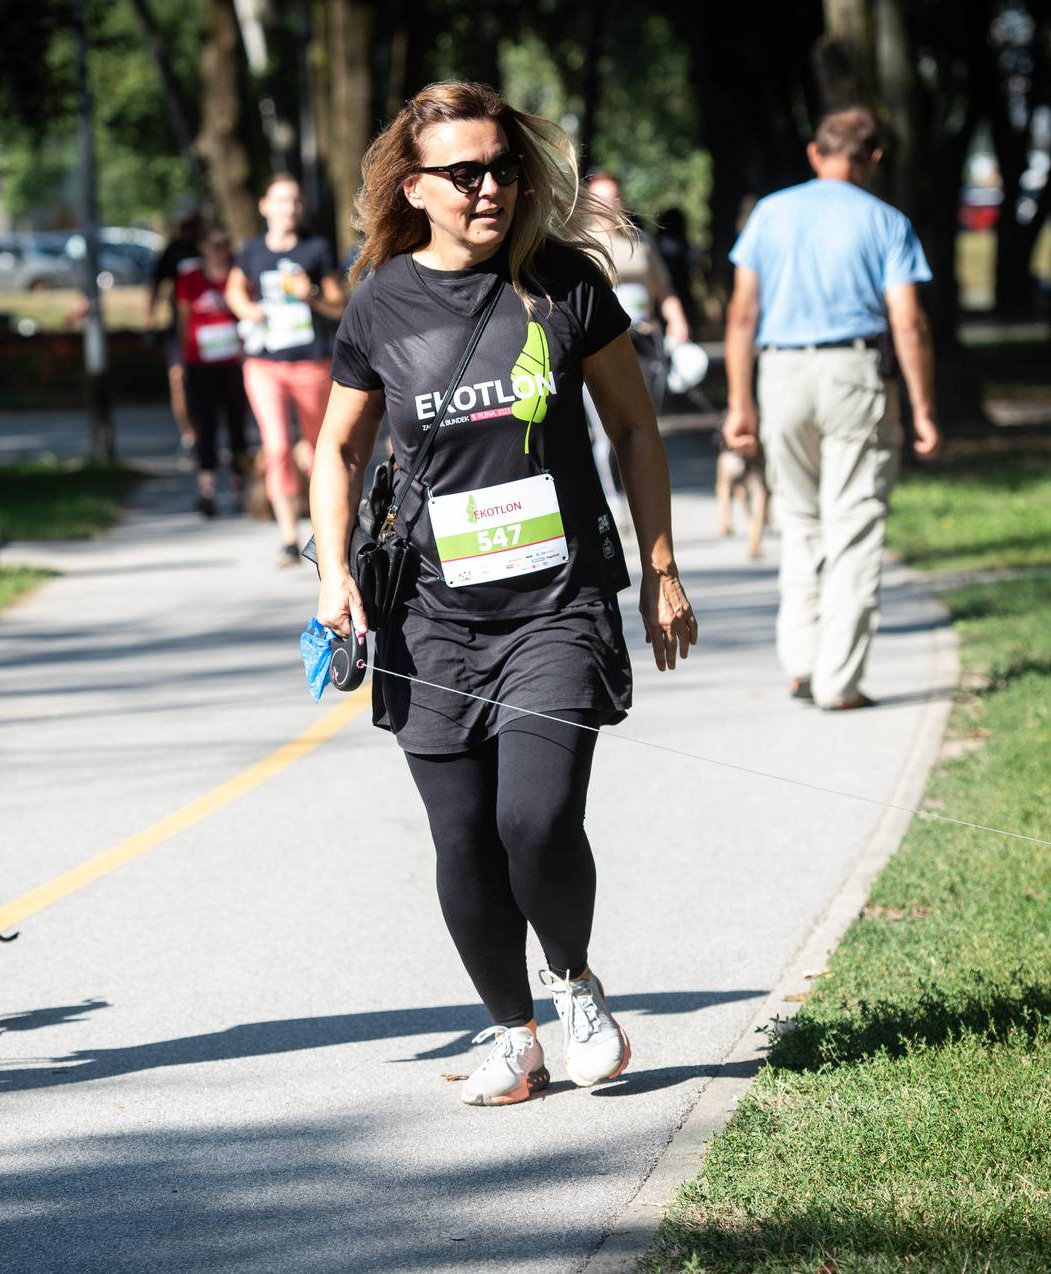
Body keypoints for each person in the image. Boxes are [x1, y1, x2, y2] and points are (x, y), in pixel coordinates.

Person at [310, 82, 697, 1107]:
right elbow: (336, 447)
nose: (489, 187)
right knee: (462, 838)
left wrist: (660, 568)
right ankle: (511, 1031)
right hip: (428, 618)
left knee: (534, 817)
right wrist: (331, 571)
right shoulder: (383, 302)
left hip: (556, 606)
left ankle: (571, 980)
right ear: (415, 186)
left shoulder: (562, 284)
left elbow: (637, 428)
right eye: (464, 172)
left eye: (502, 168)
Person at [721, 108, 941, 712]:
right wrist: (922, 408)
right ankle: (838, 680)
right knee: (855, 523)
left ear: (818, 155)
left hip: (781, 373)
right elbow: (908, 321)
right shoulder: (888, 222)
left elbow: (741, 315)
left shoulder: (770, 213)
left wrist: (739, 403)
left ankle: (800, 663)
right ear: (872, 159)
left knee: (800, 520)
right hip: (853, 374)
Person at [226, 174, 347, 564]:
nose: (289, 208)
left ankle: (326, 532)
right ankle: (288, 539)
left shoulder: (316, 249)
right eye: (281, 201)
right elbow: (234, 290)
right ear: (265, 206)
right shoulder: (252, 252)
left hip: (310, 363)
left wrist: (309, 294)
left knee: (317, 450)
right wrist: (248, 310)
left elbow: (338, 305)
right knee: (276, 446)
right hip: (264, 365)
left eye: (295, 201)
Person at [581, 171, 692, 528]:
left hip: (644, 343)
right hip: (597, 347)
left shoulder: (640, 242)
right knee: (604, 431)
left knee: (642, 424)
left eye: (614, 196)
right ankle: (612, 500)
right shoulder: (577, 244)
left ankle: (643, 500)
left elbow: (663, 288)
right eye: (600, 197)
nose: (608, 205)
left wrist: (677, 321)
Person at [174, 227, 250, 515]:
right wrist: (180, 359)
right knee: (206, 428)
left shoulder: (237, 275)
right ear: (203, 247)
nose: (220, 249)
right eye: (214, 244)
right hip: (200, 364)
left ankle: (240, 488)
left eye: (225, 243)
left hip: (233, 364)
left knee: (237, 427)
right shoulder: (190, 278)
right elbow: (183, 318)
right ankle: (206, 491)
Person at [147, 204, 205, 465]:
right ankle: (190, 435)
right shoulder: (173, 252)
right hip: (181, 328)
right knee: (178, 381)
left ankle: (209, 435)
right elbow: (155, 285)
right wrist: (149, 319)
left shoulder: (211, 247)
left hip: (211, 328)